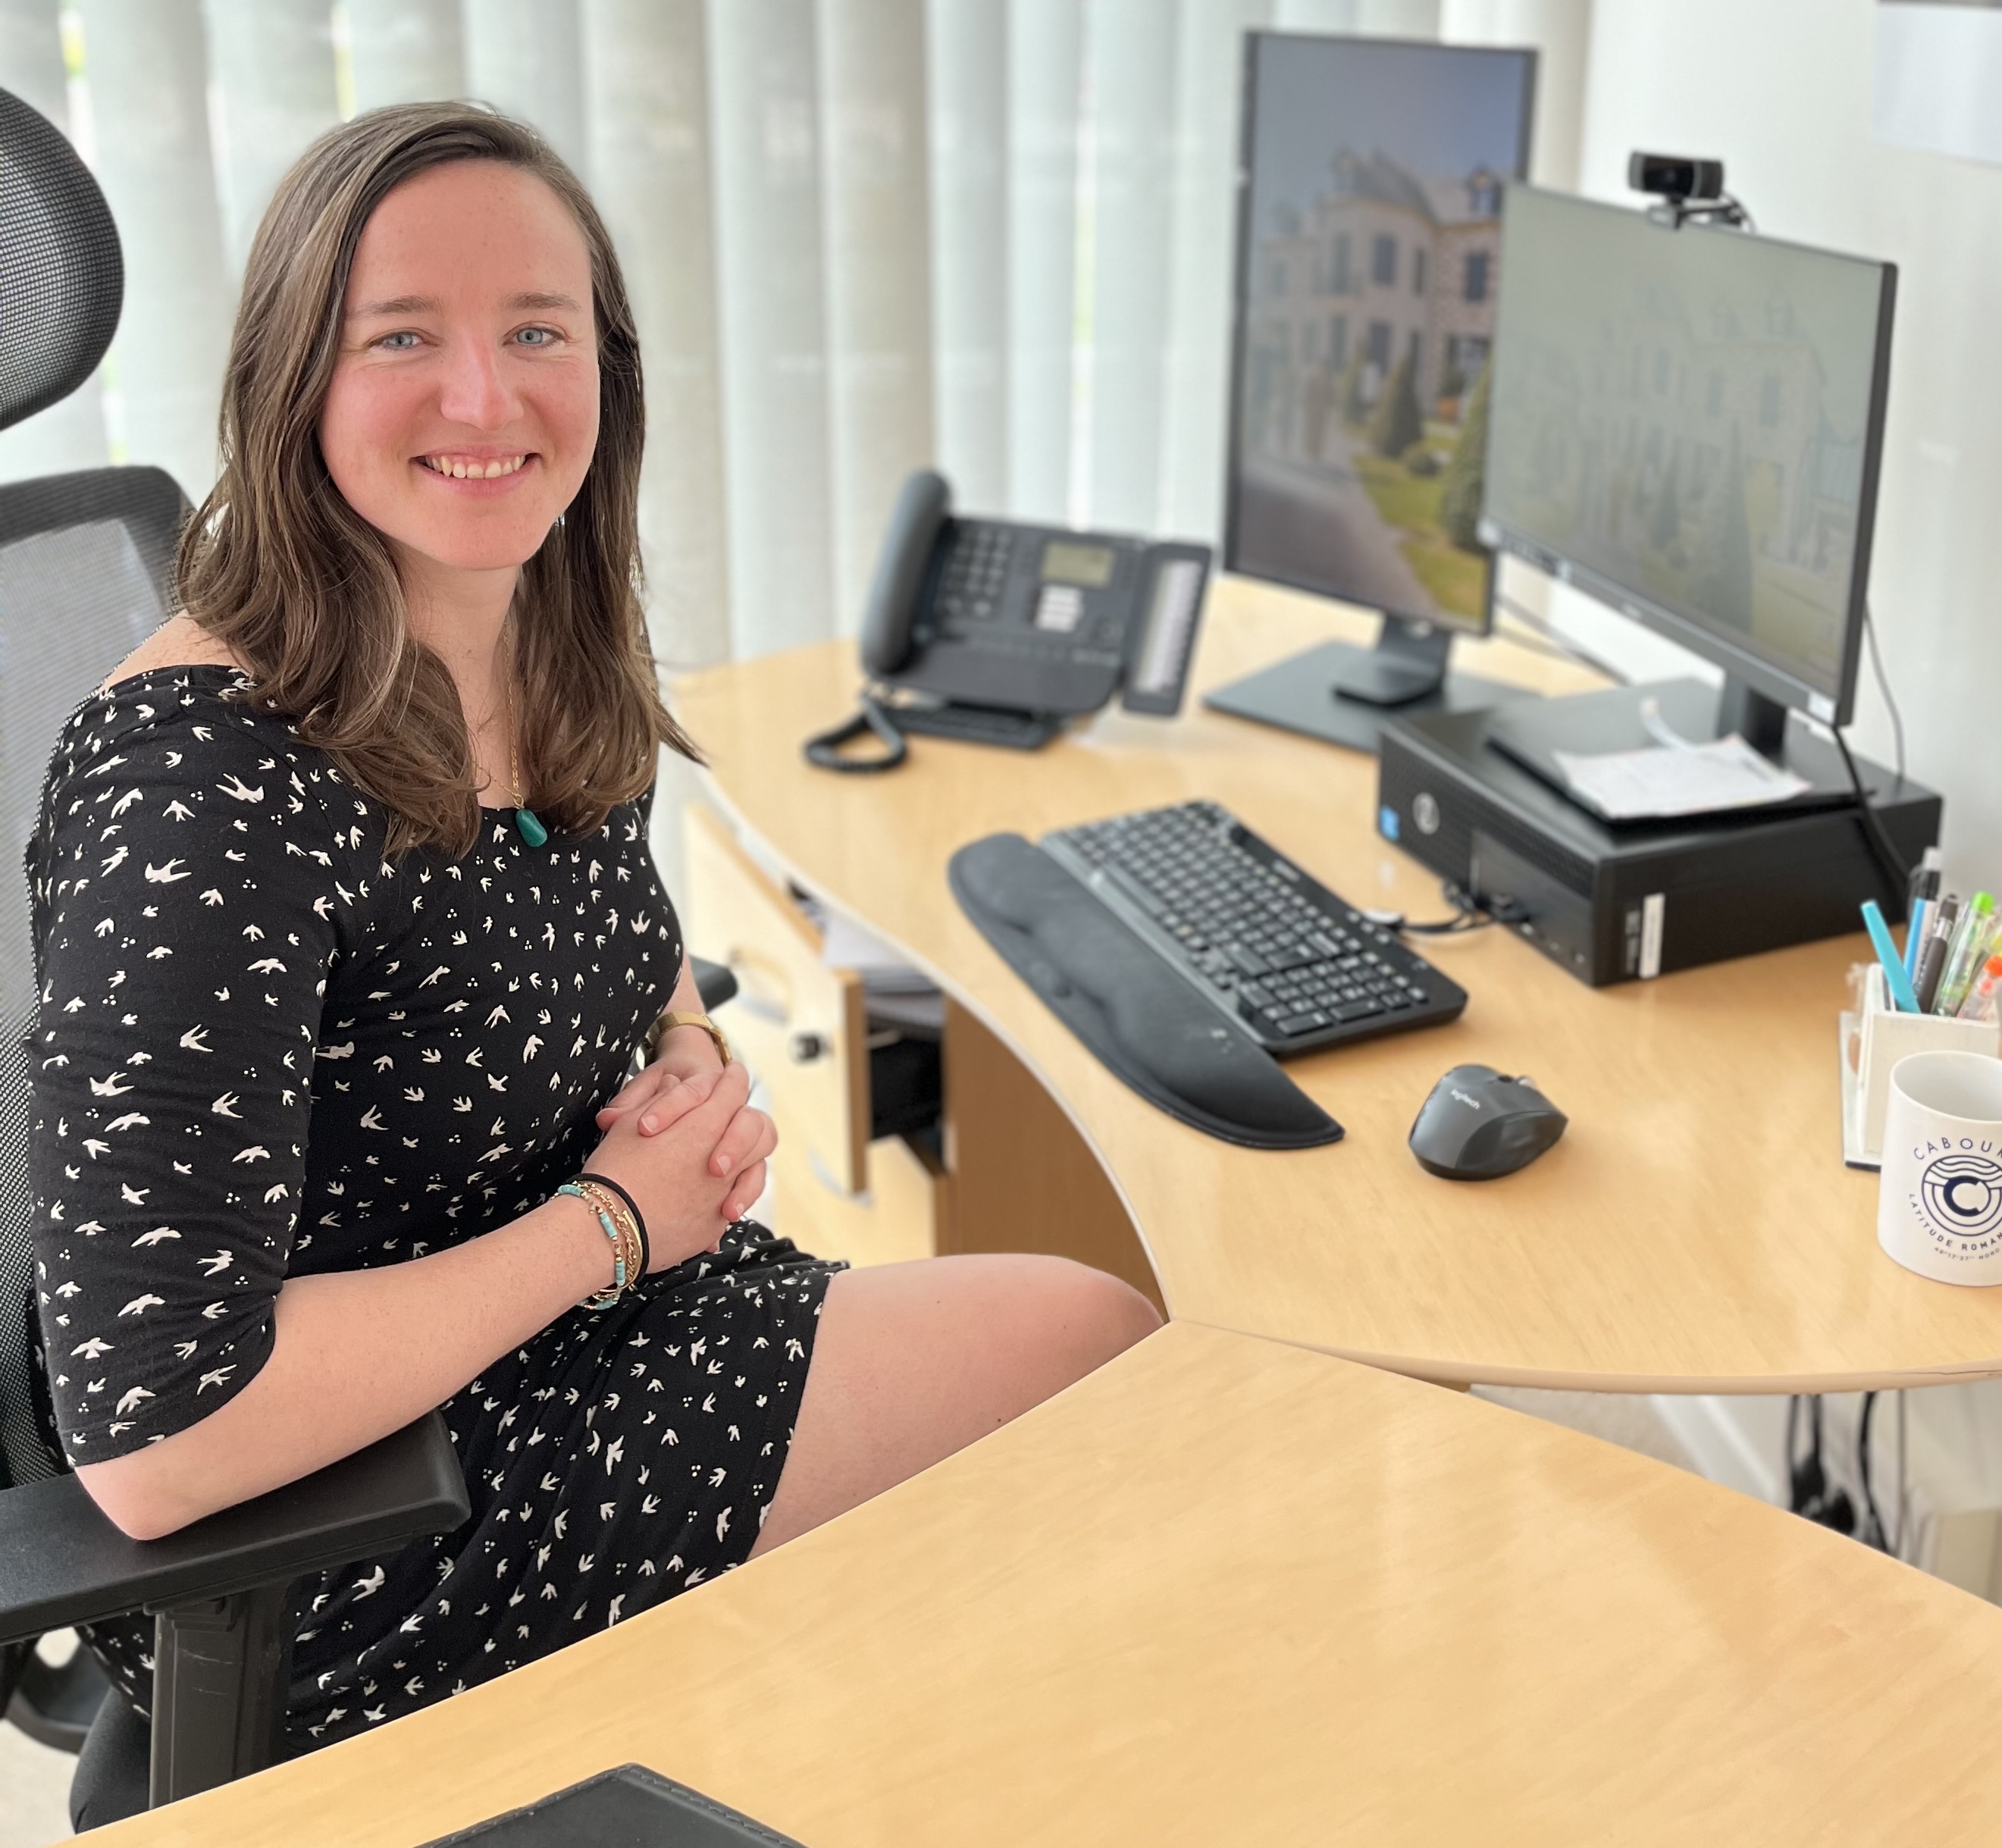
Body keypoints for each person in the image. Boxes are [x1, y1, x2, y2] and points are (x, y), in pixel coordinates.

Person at [22, 102, 1158, 1746]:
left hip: (591, 1324)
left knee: (1102, 1478)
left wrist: (681, 1054)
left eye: (537, 331)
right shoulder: (203, 774)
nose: (486, 399)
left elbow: (602, 937)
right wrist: (614, 1224)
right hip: (356, 1519)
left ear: (606, 368)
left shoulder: (527, 630)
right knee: (1090, 1352)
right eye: (402, 335)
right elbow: (157, 1443)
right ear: (294, 380)